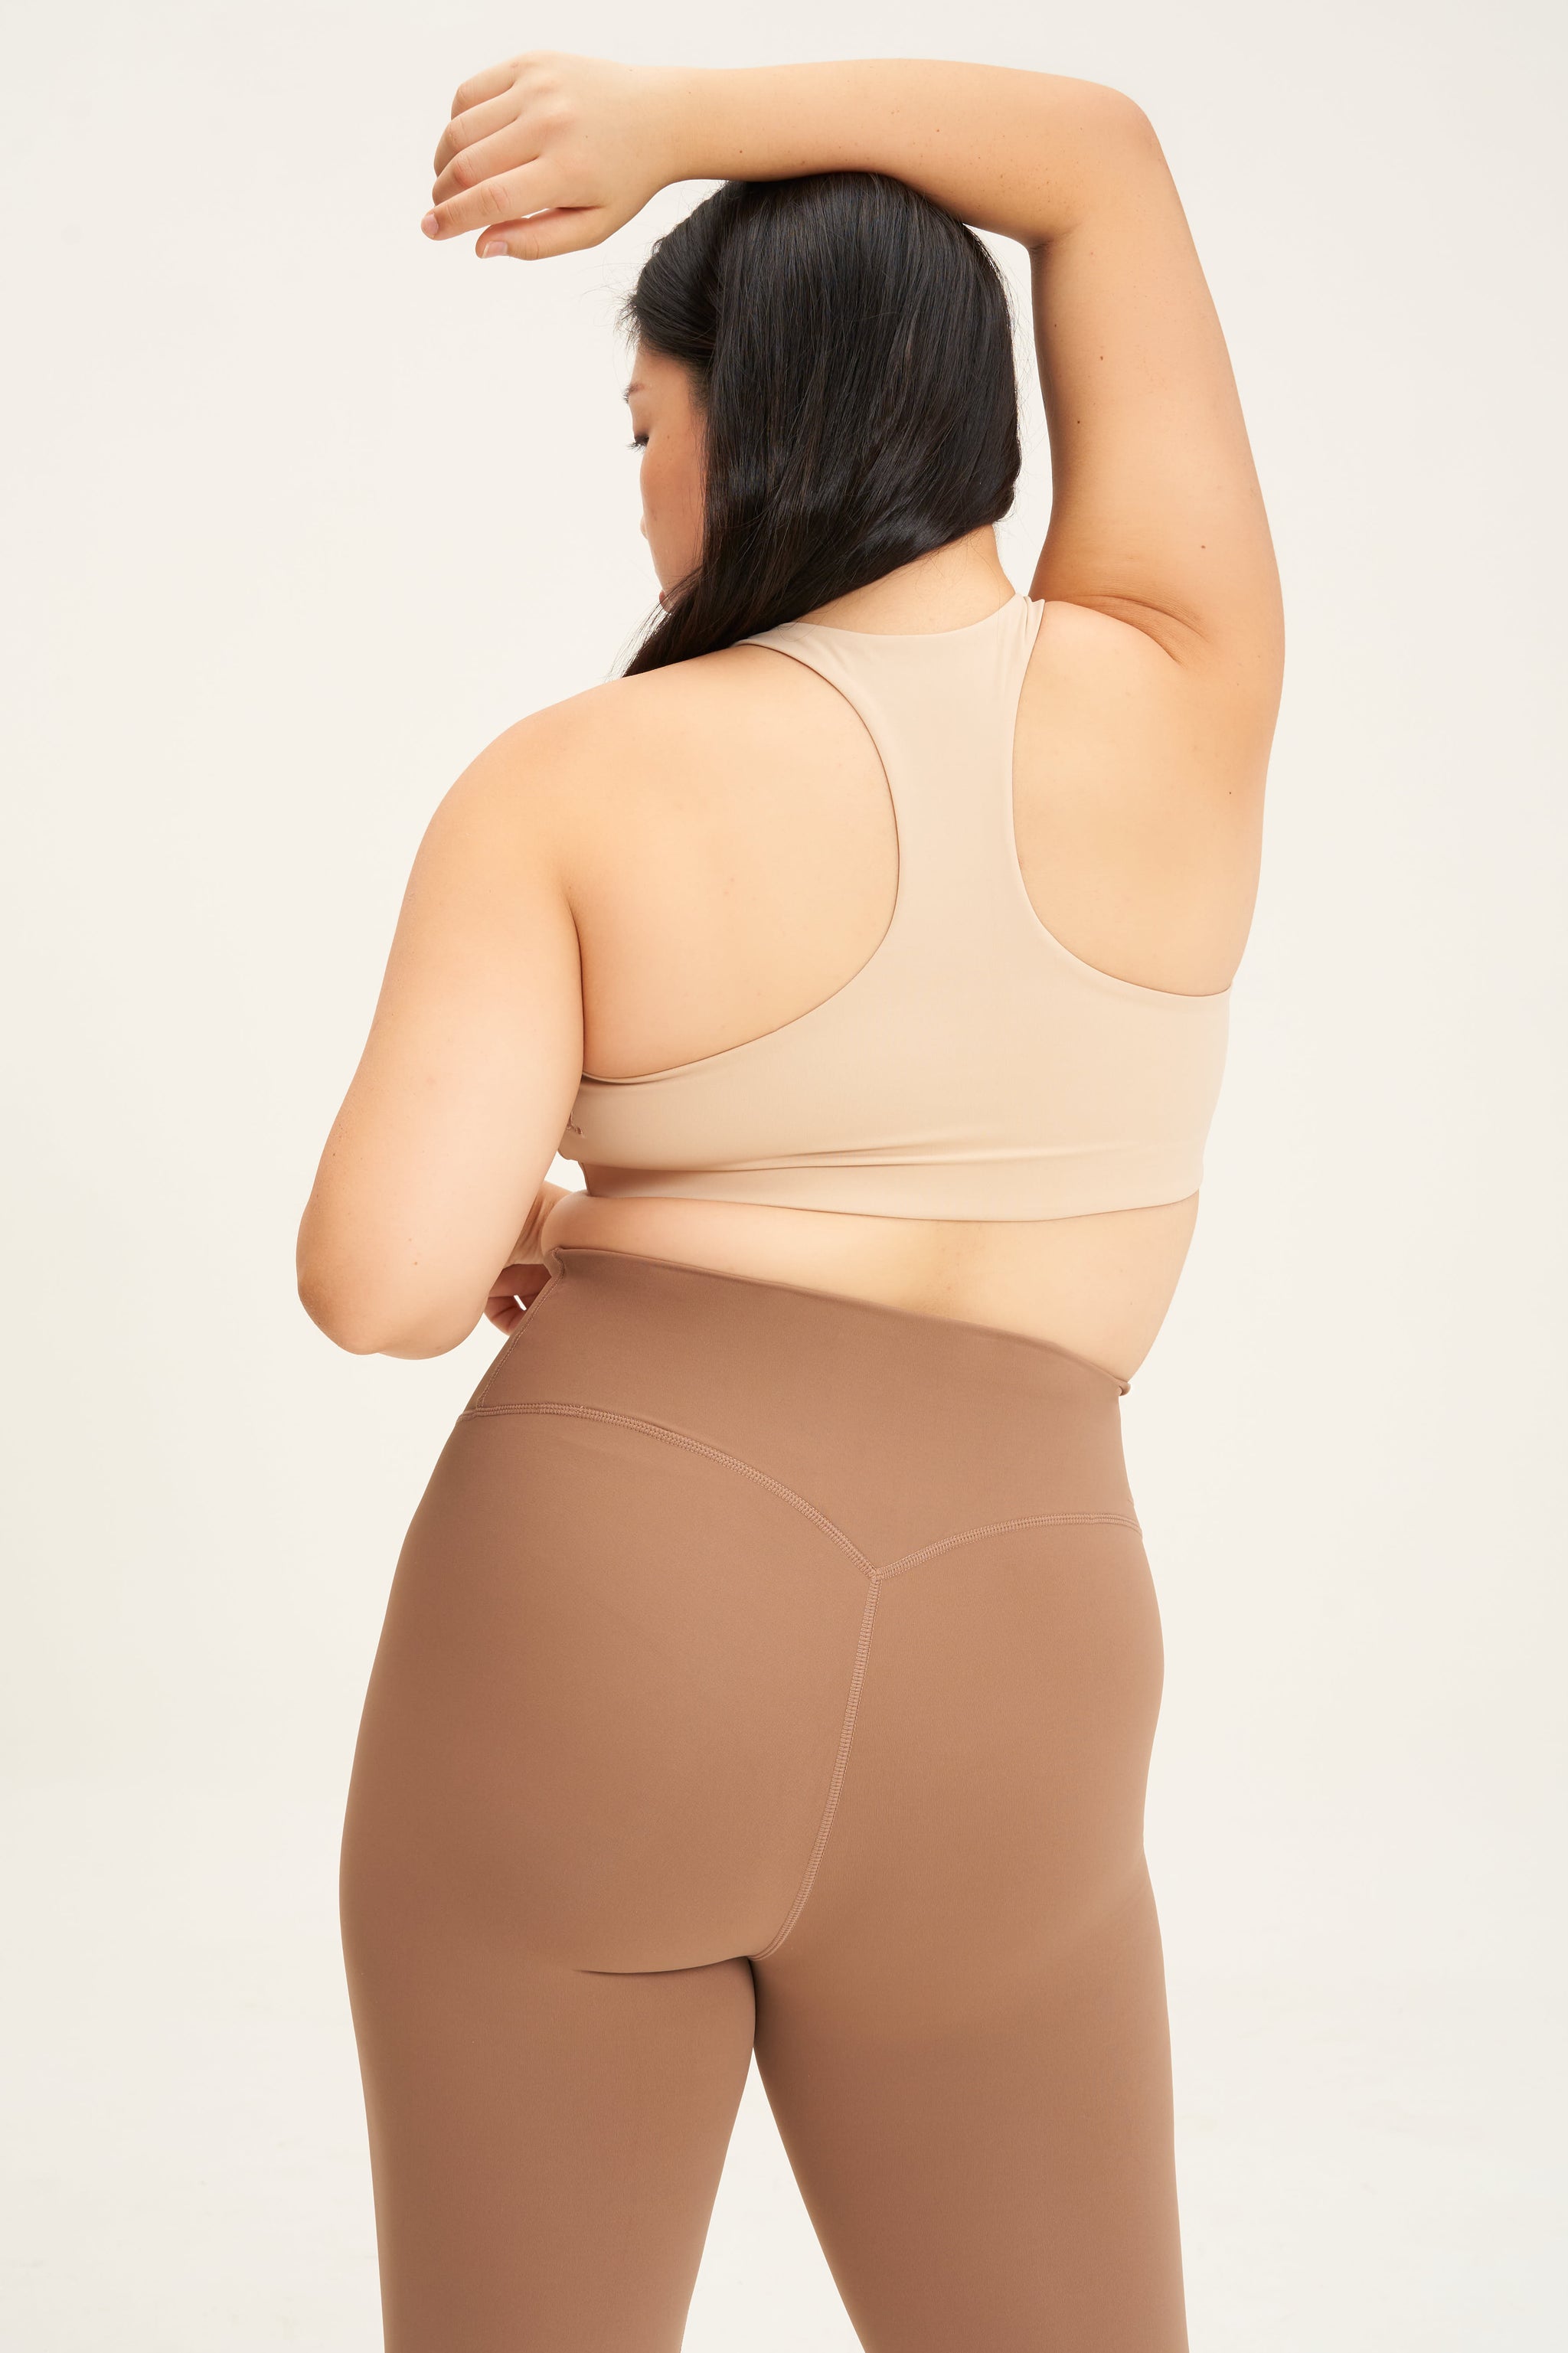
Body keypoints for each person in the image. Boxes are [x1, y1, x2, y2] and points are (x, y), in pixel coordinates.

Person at [296, 50, 1282, 2353]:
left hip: (600, 1615)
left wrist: (547, 1204)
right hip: (1025, 1637)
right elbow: (1100, 158)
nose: (649, 496)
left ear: (746, 430)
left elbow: (384, 1282)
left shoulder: (575, 778)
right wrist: (682, 121)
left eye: (645, 430)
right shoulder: (1182, 686)